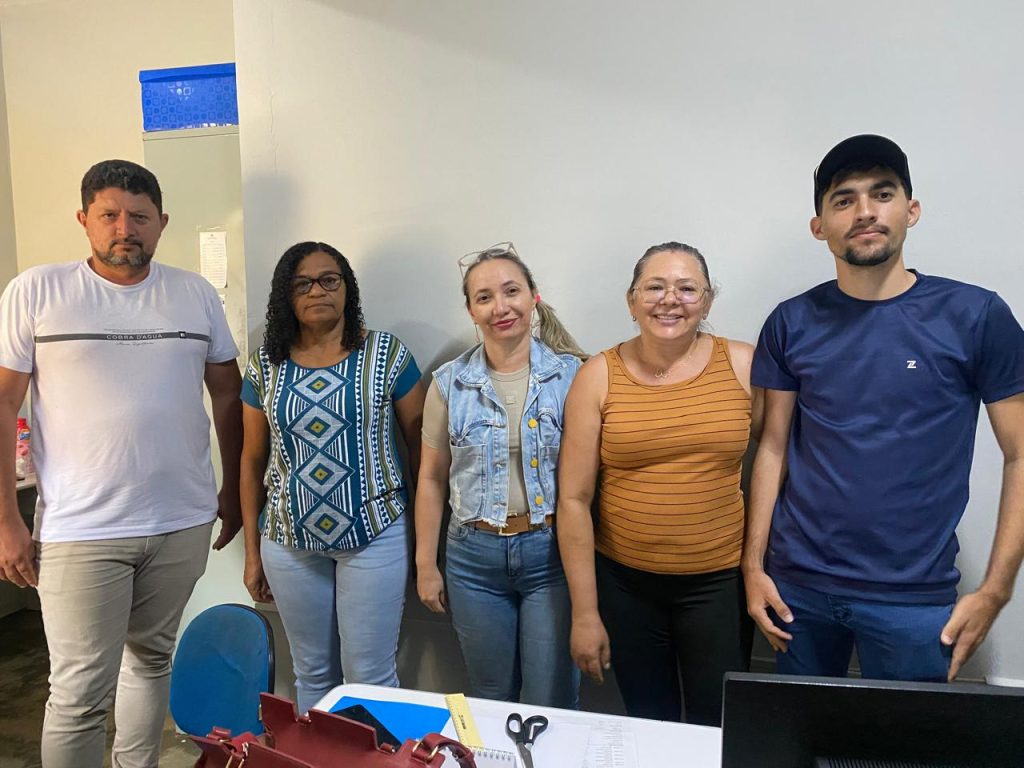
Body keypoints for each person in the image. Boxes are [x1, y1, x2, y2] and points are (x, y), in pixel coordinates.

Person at [743, 134, 1024, 683]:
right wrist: (753, 566)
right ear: (819, 225)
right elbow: (772, 447)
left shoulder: (975, 316)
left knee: (905, 733)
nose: (865, 212)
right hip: (797, 588)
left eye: (883, 193)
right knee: (802, 727)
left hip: (913, 597)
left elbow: (1020, 455)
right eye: (843, 199)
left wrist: (996, 589)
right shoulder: (790, 322)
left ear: (911, 211)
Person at [0, 159, 242, 768]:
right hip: (82, 529)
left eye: (139, 216)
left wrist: (233, 491)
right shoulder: (38, 291)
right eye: (109, 215)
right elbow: (3, 403)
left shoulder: (194, 294)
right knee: (80, 694)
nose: (124, 228)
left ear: (162, 222)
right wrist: (7, 521)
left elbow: (227, 393)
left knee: (151, 661)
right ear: (84, 219)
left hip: (181, 521)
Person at [557, 242, 761, 725]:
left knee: (719, 723)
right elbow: (573, 499)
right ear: (632, 301)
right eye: (654, 287)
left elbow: (777, 459)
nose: (670, 300)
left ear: (707, 301)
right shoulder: (597, 375)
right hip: (626, 587)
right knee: (649, 722)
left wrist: (758, 565)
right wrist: (585, 613)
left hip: (719, 585)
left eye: (687, 288)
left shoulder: (744, 365)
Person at [240, 241, 424, 714]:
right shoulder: (264, 364)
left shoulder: (385, 354)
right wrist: (252, 554)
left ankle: (378, 755)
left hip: (375, 535)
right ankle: (321, 752)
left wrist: (427, 545)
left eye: (328, 280)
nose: (316, 291)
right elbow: (251, 460)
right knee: (312, 673)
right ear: (286, 295)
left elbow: (422, 450)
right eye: (302, 283)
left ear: (346, 288)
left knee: (370, 677)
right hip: (288, 543)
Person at [415, 242, 585, 708]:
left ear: (534, 296)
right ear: (471, 310)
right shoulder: (449, 384)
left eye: (512, 291)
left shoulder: (572, 377)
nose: (500, 307)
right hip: (473, 559)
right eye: (484, 297)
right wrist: (426, 565)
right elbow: (431, 479)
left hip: (551, 555)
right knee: (490, 697)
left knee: (552, 697)